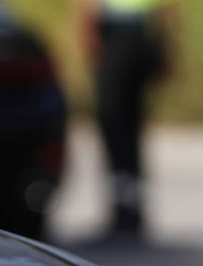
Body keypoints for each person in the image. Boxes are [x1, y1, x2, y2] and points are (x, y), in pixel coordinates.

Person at [77, 0, 178, 240]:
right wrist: (166, 48)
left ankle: (123, 210)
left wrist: (88, 33)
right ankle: (131, 211)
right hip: (142, 35)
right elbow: (169, 9)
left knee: (113, 125)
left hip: (116, 35)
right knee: (131, 128)